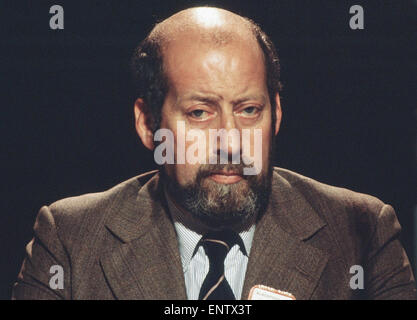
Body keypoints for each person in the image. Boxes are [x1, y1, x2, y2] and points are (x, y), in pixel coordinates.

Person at [12, 7, 416, 300]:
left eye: (248, 110)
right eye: (200, 113)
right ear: (149, 124)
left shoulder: (363, 231)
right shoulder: (69, 239)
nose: (230, 141)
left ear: (276, 115)